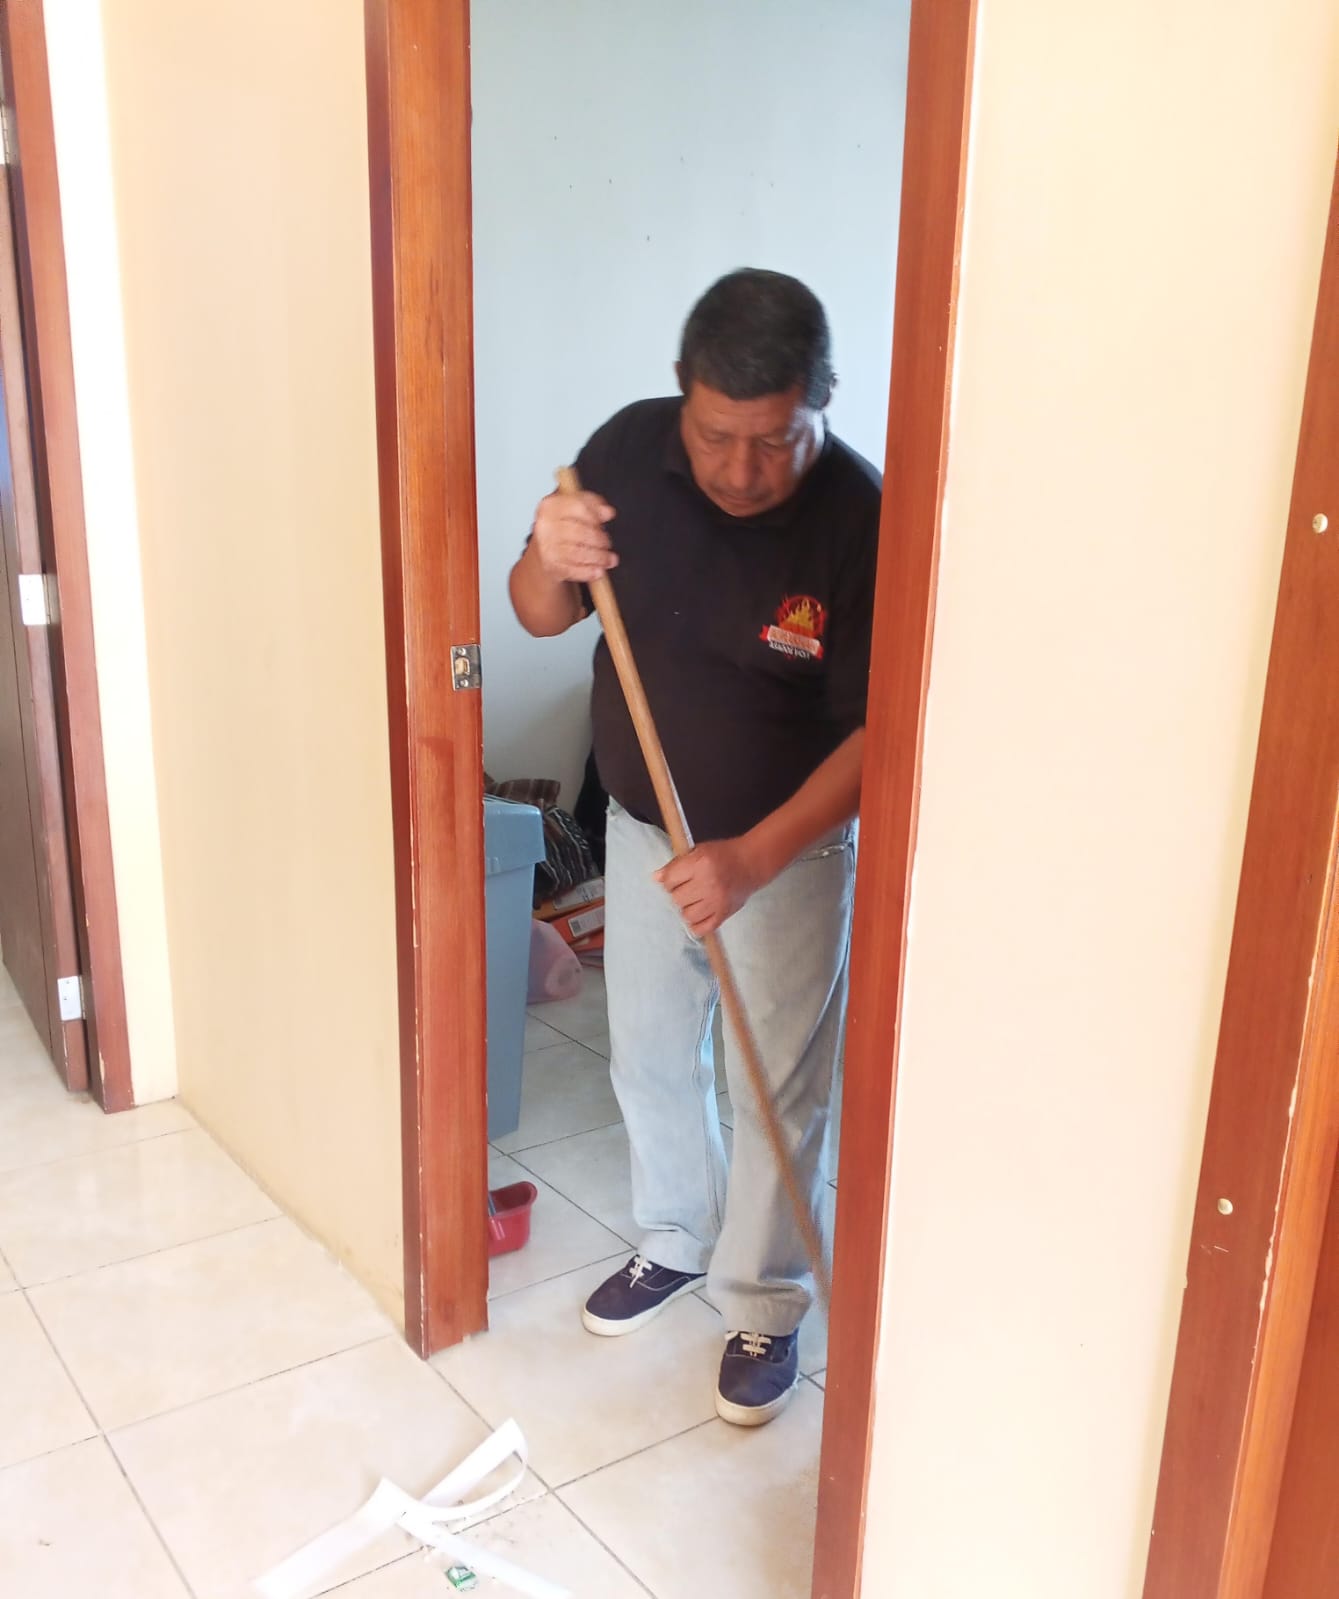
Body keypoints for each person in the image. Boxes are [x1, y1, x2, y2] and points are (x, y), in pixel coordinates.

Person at [508, 268, 879, 1427]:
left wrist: (751, 859)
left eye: (775, 440)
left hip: (786, 857)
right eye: (717, 435)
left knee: (775, 1091)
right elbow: (536, 612)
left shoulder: (861, 520)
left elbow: (879, 737)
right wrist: (544, 553)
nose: (741, 469)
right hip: (638, 830)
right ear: (682, 394)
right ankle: (674, 1236)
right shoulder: (625, 453)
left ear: (821, 400)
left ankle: (764, 1301)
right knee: (651, 1057)